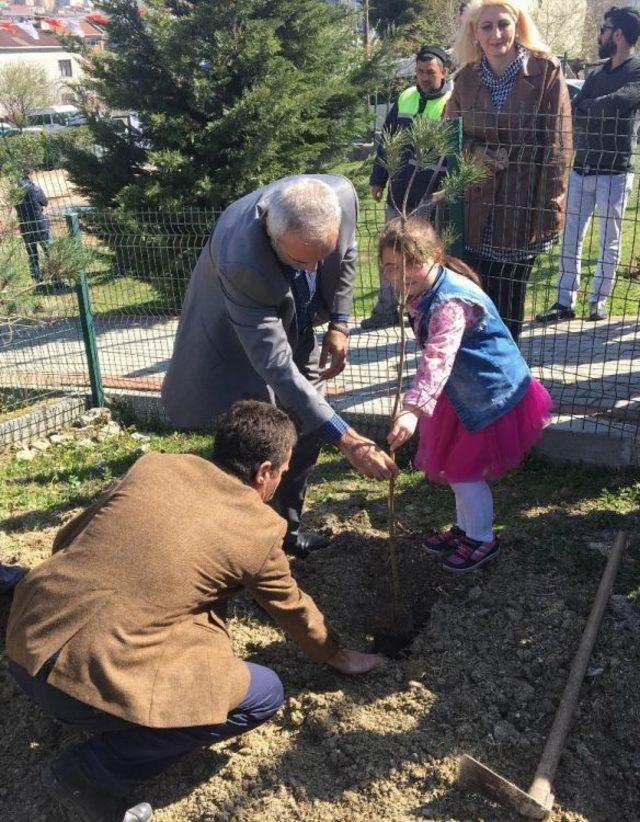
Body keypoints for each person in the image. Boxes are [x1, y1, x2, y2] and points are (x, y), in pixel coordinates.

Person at [6, 400, 384, 822]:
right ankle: (94, 770)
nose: (280, 480)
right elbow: (292, 608)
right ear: (264, 472)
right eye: (283, 470)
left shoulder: (156, 466)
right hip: (85, 690)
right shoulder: (258, 528)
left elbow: (68, 539)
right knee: (263, 694)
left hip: (25, 643)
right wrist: (336, 654)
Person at [162, 175, 398, 558]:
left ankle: (285, 532)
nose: (314, 269)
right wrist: (347, 438)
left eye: (322, 256)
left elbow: (347, 255)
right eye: (302, 261)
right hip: (238, 331)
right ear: (273, 238)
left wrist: (339, 322)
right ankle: (246, 548)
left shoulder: (341, 198)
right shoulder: (243, 261)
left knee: (306, 423)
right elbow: (275, 365)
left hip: (296, 319)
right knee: (259, 439)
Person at [382, 218, 552, 573]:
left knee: (464, 472)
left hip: (491, 392)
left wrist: (412, 409)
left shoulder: (449, 302)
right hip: (463, 391)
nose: (403, 274)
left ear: (436, 256)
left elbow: (439, 356)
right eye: (392, 267)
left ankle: (483, 538)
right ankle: (465, 529)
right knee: (455, 468)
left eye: (413, 263)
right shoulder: (424, 291)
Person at [446, 0, 572, 342]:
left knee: (509, 305)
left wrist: (549, 210)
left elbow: (558, 148)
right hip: (475, 209)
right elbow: (449, 135)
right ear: (474, 32)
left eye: (503, 24)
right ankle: (480, 379)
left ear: (518, 25)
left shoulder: (546, 71)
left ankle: (511, 383)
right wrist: (478, 153)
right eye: (486, 26)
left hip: (522, 207)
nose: (496, 34)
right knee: (477, 302)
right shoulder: (465, 79)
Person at [537, 6, 640, 324]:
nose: (599, 35)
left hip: (615, 171)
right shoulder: (596, 74)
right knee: (570, 238)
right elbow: (575, 107)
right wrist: (588, 108)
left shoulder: (636, 71)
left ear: (618, 34)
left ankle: (599, 302)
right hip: (582, 169)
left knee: (609, 240)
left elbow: (623, 99)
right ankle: (564, 301)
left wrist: (587, 107)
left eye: (603, 29)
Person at [362, 45, 453, 331]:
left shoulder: (452, 102)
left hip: (430, 196)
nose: (424, 78)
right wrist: (378, 178)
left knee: (421, 258)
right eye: (420, 72)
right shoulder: (405, 98)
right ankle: (386, 310)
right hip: (399, 192)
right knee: (390, 254)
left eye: (430, 72)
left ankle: (424, 311)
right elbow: (387, 140)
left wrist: (445, 190)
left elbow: (455, 154)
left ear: (444, 72)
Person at [15, 168, 51, 284]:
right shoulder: (35, 188)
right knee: (49, 250)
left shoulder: (16, 192)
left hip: (25, 225)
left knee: (32, 253)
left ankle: (37, 278)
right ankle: (55, 276)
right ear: (30, 174)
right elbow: (45, 202)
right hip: (39, 223)